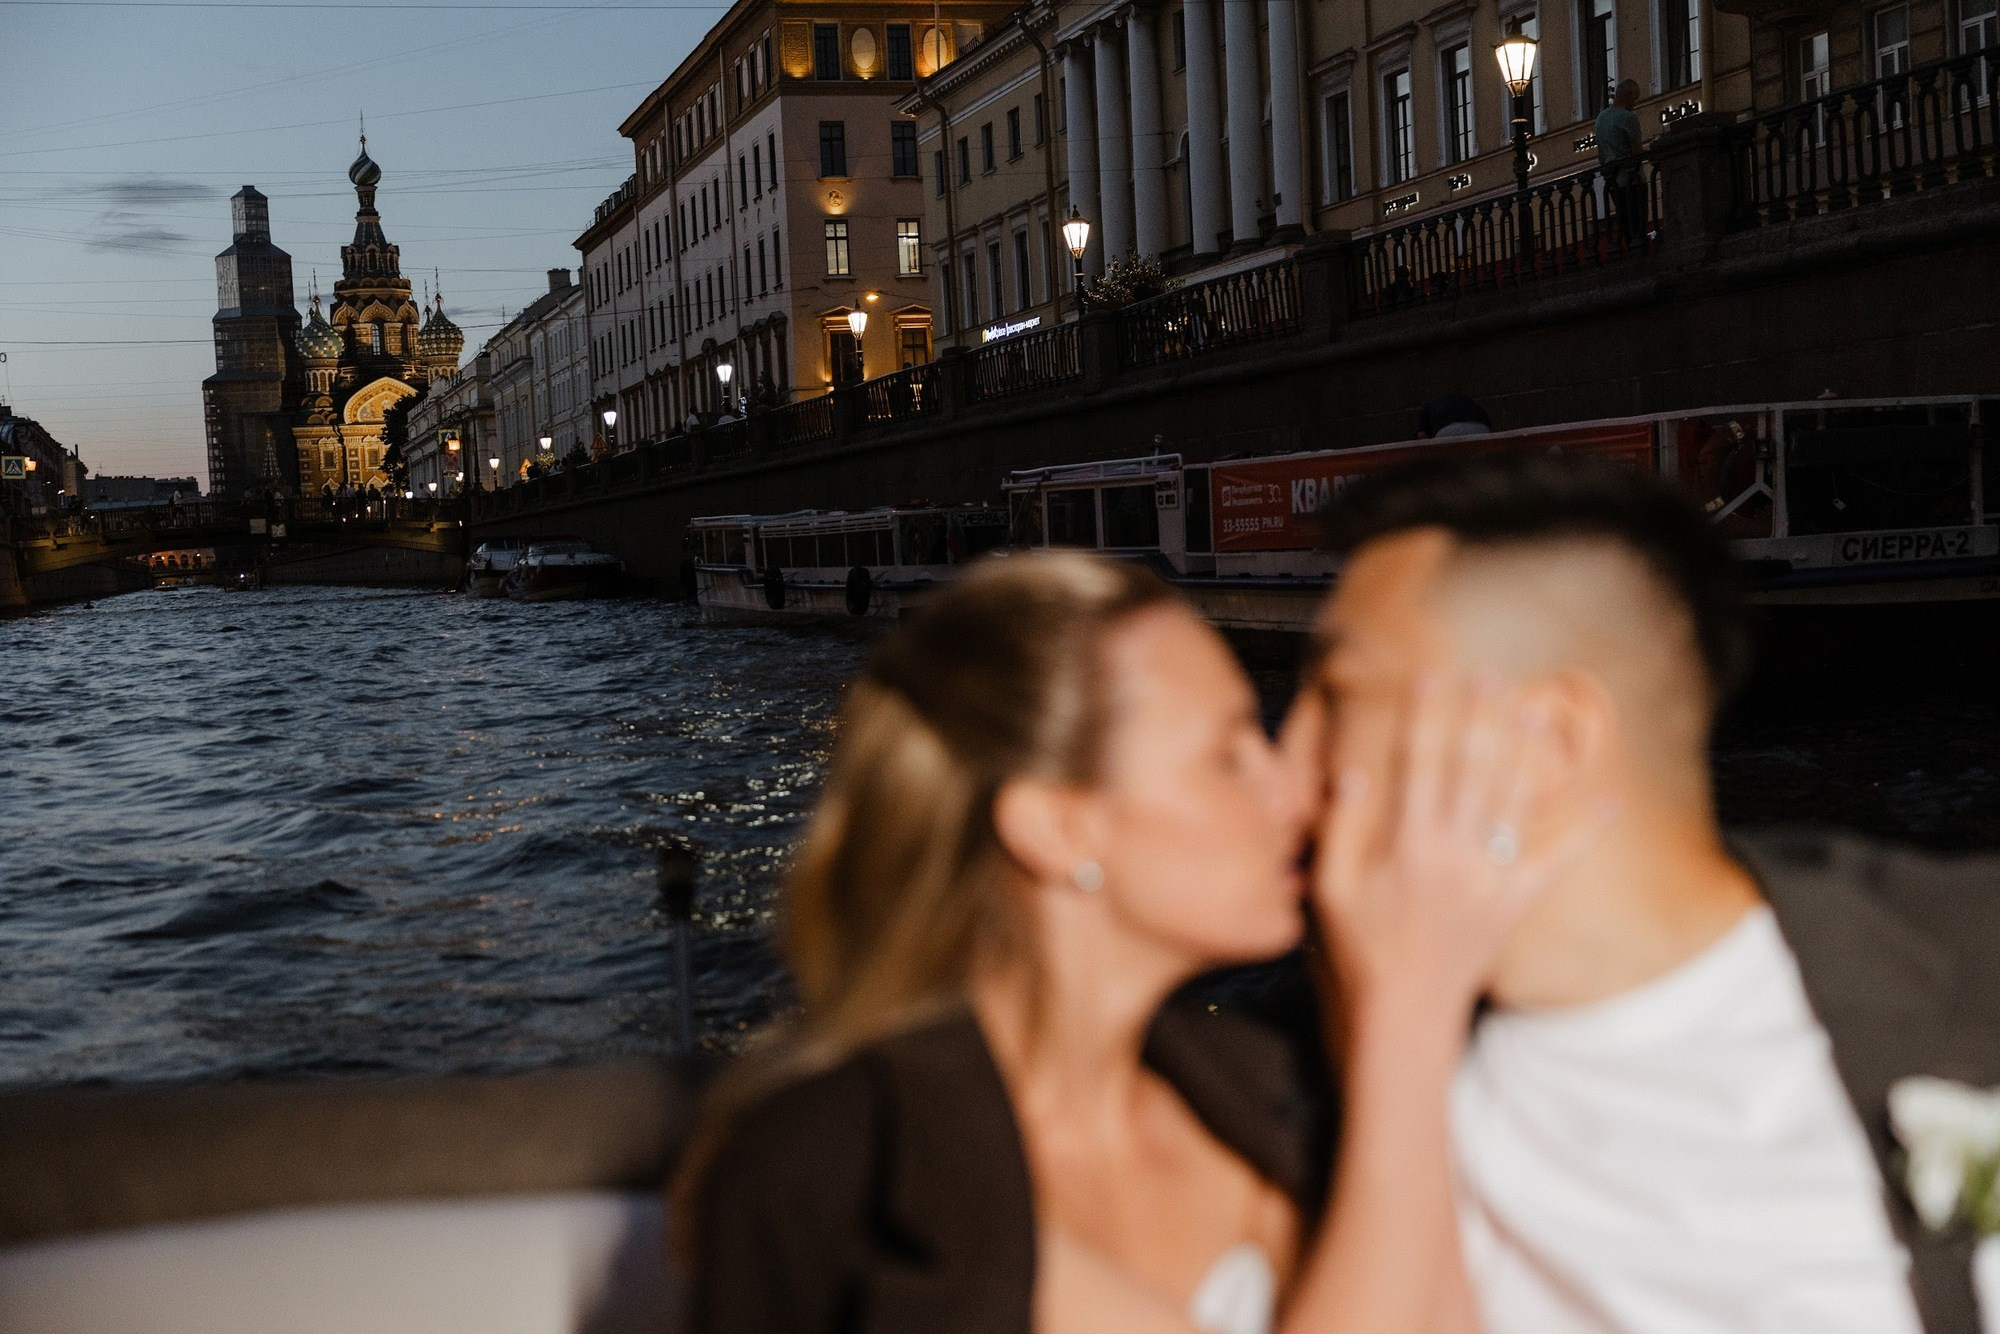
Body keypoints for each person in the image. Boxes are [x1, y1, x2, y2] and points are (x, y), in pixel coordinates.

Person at [680, 551, 1589, 1334]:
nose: (1293, 793)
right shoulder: (845, 1164)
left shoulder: (1258, 1077)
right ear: (1059, 828)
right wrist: (1410, 1003)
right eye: (1229, 754)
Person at [1293, 452, 1999, 1334]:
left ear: (1548, 741)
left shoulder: (1971, 954)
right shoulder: (1291, 1116)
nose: (1285, 774)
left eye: (1337, 699)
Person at [1595, 79, 1648, 246]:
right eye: (1635, 99)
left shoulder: (1601, 119)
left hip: (1613, 181)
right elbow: (1637, 151)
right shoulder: (1628, 118)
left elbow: (1601, 154)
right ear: (1627, 96)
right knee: (1638, 225)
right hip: (1632, 180)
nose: (1635, 104)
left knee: (1625, 224)